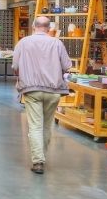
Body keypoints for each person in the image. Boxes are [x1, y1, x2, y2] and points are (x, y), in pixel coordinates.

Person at [12, 16, 72, 175]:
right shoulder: (57, 43)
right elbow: (67, 67)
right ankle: (41, 155)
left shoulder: (23, 43)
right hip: (53, 91)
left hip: (32, 90)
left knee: (35, 126)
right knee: (47, 125)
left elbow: (15, 66)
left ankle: (38, 161)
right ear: (49, 28)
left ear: (33, 26)